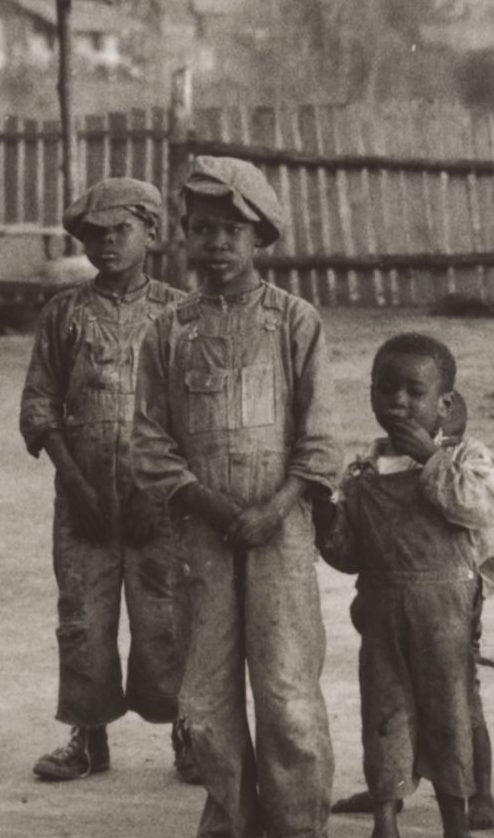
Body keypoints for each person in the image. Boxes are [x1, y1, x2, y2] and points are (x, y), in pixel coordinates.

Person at [131, 155, 337, 838]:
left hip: (279, 534)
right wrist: (211, 507)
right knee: (207, 696)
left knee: (286, 692)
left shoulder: (295, 322)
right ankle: (230, 816)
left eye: (232, 231)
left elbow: (320, 438)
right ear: (185, 236)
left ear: (260, 239)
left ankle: (298, 822)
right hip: (202, 537)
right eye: (203, 229)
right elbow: (150, 440)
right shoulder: (167, 330)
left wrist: (275, 509)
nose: (216, 244)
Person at [18, 178, 192, 783]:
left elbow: (191, 419)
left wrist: (158, 490)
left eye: (121, 230)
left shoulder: (178, 313)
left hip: (161, 503)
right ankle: (88, 738)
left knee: (167, 618)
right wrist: (75, 482)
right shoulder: (63, 314)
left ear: (151, 231)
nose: (107, 244)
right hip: (83, 500)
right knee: (83, 621)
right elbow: (40, 407)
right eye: (94, 235)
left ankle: (187, 732)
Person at [312, 334, 494, 838]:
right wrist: (326, 518)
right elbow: (350, 557)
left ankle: (456, 818)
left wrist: (431, 459)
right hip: (381, 612)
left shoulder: (467, 459)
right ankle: (385, 819)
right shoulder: (363, 470)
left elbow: (478, 508)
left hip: (446, 617)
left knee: (450, 714)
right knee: (384, 713)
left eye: (414, 391)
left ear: (445, 404)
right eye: (386, 389)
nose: (398, 402)